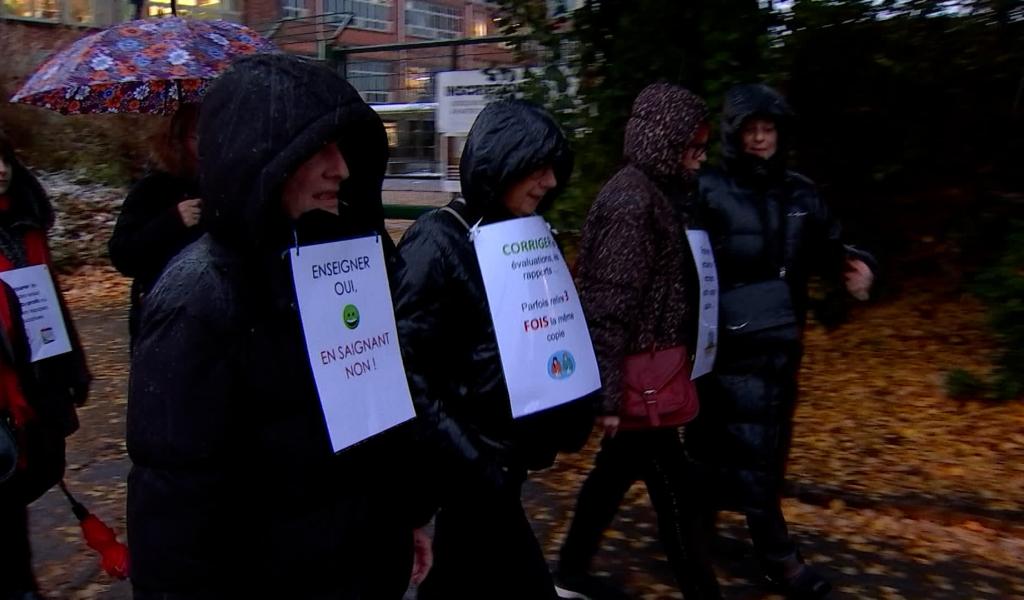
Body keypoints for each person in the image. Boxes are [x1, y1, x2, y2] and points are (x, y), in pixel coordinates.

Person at [126, 54, 433, 599]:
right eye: (318, 148)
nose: (340, 168)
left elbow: (382, 407)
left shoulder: (350, 264)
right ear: (261, 156)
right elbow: (175, 511)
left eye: (343, 147)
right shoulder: (196, 301)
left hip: (363, 567)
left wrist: (406, 513)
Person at [686, 83, 876, 599]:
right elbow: (679, 255)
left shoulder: (800, 193)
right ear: (735, 134)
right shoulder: (707, 187)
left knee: (762, 450)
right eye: (752, 130)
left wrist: (856, 267)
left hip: (779, 347)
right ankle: (773, 556)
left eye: (768, 129)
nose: (761, 139)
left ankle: (704, 538)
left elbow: (832, 244)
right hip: (719, 347)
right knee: (716, 447)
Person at [393, 100, 587, 600]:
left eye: (554, 171)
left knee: (458, 578)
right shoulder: (435, 243)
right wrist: (473, 461)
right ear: (503, 160)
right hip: (472, 469)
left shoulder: (522, 237)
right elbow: (408, 373)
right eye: (537, 168)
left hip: (500, 460)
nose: (549, 183)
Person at [553, 83, 722, 600]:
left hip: (645, 371)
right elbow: (608, 302)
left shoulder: (656, 193)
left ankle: (569, 572)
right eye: (692, 147)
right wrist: (605, 396)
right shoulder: (632, 201)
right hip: (637, 376)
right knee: (676, 490)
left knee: (614, 474)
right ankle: (701, 590)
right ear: (666, 143)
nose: (701, 157)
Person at [0, 131, 91, 600]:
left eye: (4, 158)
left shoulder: (25, 225)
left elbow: (50, 298)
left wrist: (73, 367)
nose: (0, 169)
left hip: (35, 373)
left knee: (24, 482)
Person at [108, 103, 204, 348]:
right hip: (162, 314)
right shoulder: (152, 190)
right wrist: (173, 221)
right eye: (198, 135)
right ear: (179, 140)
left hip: (215, 316)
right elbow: (123, 254)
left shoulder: (225, 185)